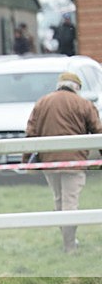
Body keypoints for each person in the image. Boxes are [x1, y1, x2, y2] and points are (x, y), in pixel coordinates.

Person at [24, 71, 102, 253]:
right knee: (70, 202)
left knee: (59, 201)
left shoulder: (42, 102)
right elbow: (98, 132)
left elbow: (31, 132)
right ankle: (69, 245)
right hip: (74, 161)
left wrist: (25, 160)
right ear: (77, 87)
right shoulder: (84, 104)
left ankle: (68, 241)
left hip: (49, 161)